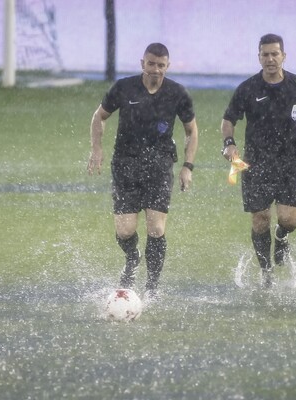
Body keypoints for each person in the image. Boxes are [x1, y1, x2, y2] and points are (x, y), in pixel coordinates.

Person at [88, 42, 198, 299]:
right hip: (125, 165)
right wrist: (96, 149)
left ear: (167, 66)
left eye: (161, 65)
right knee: (125, 230)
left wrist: (187, 166)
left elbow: (191, 130)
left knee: (156, 229)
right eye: (151, 64)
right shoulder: (124, 88)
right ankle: (132, 255)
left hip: (159, 166)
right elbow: (99, 116)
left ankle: (151, 287)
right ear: (142, 64)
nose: (156, 70)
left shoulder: (177, 94)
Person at [221, 33, 296, 288]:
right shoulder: (248, 88)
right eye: (266, 54)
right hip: (256, 162)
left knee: (289, 219)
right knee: (260, 218)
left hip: (290, 162)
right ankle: (266, 272)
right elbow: (228, 119)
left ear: (284, 56)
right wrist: (229, 144)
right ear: (259, 57)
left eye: (275, 54)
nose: (271, 58)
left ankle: (282, 236)